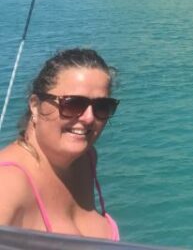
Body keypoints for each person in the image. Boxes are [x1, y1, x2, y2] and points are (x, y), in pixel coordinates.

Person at [0, 48, 120, 240]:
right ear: (35, 105)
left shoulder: (86, 159)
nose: (89, 118)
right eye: (73, 104)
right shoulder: (8, 183)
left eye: (101, 106)